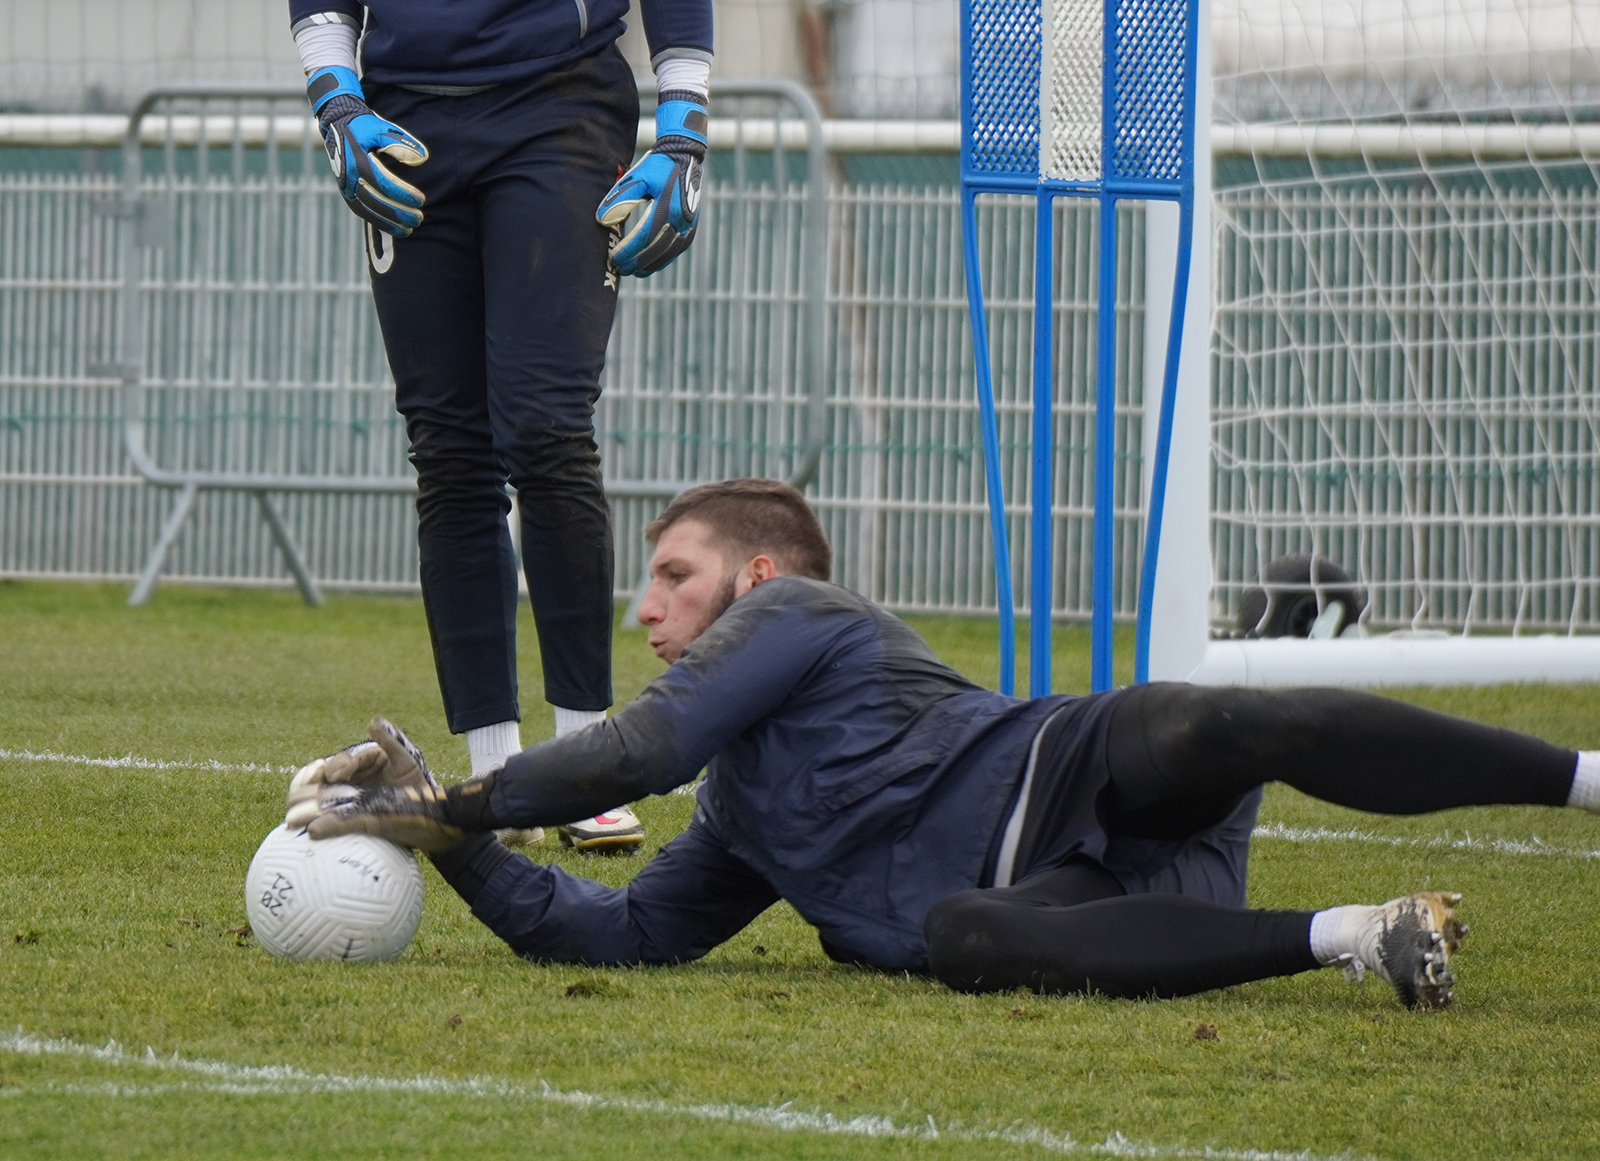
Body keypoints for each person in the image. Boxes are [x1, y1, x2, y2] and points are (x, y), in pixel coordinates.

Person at [286, 479, 1599, 1009]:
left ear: (754, 584)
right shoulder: (745, 820)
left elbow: (642, 751)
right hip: (1101, 901)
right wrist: (435, 836)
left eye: (672, 576)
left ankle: (1585, 781)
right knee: (968, 941)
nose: (644, 608)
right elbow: (619, 935)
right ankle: (1363, 935)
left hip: (1076, 764)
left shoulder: (803, 611)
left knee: (1211, 714)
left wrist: (464, 803)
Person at [284, 0, 715, 851]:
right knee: (448, 449)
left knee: (548, 430)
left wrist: (685, 122)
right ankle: (495, 772)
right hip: (400, 114)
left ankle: (586, 765)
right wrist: (335, 97)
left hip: (558, 107)